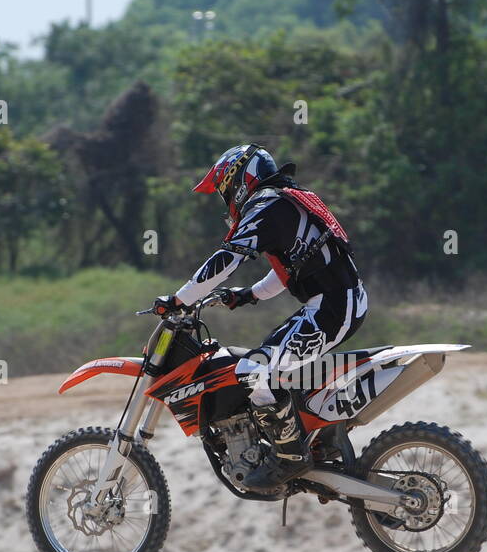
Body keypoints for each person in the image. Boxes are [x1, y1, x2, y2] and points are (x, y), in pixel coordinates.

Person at [152, 144, 367, 490]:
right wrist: (247, 294)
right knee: (271, 365)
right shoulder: (285, 199)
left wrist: (179, 299)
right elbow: (288, 271)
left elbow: (227, 258)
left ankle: (290, 458)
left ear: (239, 181)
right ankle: (315, 438)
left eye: (224, 191)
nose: (226, 202)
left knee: (253, 371)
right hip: (335, 303)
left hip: (332, 307)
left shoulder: (267, 203)